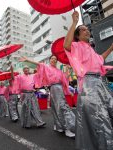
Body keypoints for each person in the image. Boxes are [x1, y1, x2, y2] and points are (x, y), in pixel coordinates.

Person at [63, 11, 113, 150]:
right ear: (78, 36)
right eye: (83, 29)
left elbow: (101, 59)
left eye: (87, 29)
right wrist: (74, 22)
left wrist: (110, 48)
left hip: (100, 83)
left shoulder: (91, 49)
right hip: (88, 85)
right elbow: (66, 45)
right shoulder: (76, 46)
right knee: (100, 118)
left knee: (108, 111)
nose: (87, 30)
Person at [20, 55, 75, 137]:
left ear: (57, 61)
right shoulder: (46, 67)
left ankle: (59, 126)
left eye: (55, 59)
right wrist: (27, 60)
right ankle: (66, 128)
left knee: (57, 108)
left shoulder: (59, 71)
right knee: (61, 107)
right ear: (49, 60)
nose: (53, 60)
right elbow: (39, 64)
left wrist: (69, 70)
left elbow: (65, 79)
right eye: (52, 58)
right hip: (54, 89)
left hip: (58, 89)